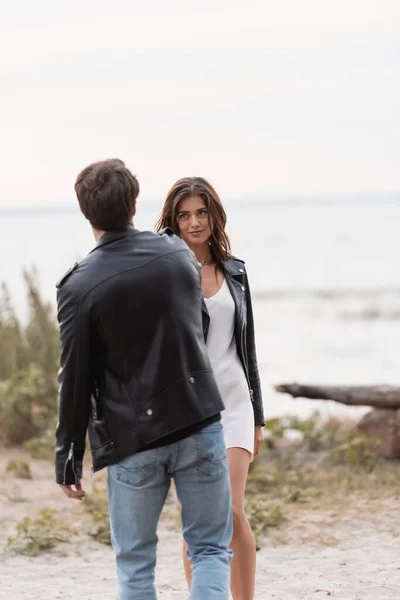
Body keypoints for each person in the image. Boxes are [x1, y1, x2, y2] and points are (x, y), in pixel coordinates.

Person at [55, 160, 233, 600]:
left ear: (85, 212)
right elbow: (194, 330)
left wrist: (68, 456)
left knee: (135, 566)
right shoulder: (178, 255)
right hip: (198, 421)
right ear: (135, 204)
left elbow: (73, 378)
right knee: (210, 550)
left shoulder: (79, 286)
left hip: (133, 439)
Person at [156, 177, 265, 600]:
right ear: (174, 221)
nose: (194, 222)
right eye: (184, 215)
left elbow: (248, 349)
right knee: (198, 518)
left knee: (233, 512)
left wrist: (258, 418)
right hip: (190, 409)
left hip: (235, 404)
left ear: (213, 215)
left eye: (201, 212)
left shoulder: (236, 271)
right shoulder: (165, 274)